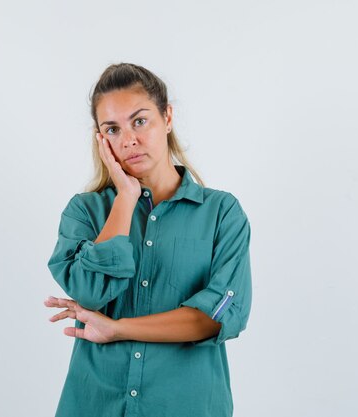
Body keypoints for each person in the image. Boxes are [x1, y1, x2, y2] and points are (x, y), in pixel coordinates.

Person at [45, 63, 252, 417]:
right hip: (95, 405)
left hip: (186, 406)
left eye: (139, 121)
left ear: (167, 117)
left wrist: (118, 329)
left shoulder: (221, 213)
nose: (128, 140)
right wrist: (125, 197)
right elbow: (92, 291)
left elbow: (218, 317)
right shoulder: (85, 213)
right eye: (113, 129)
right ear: (101, 139)